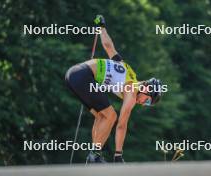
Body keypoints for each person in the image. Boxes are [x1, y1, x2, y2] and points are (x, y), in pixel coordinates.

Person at [65, 15, 162, 163]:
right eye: (147, 101)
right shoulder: (131, 92)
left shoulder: (129, 72)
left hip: (75, 74)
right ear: (146, 88)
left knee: (101, 116)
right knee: (111, 116)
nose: (143, 104)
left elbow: (109, 47)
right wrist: (118, 155)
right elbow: (122, 126)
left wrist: (101, 28)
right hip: (83, 76)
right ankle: (94, 155)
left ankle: (94, 155)